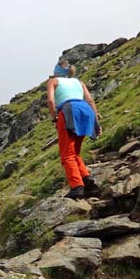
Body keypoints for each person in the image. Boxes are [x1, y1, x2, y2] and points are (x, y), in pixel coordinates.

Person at [46, 60, 101, 199]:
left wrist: (54, 118)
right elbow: (90, 101)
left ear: (56, 71)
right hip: (86, 111)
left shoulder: (53, 81)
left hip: (69, 110)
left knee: (67, 154)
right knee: (74, 151)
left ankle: (76, 187)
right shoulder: (78, 82)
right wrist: (96, 122)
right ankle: (87, 181)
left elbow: (51, 101)